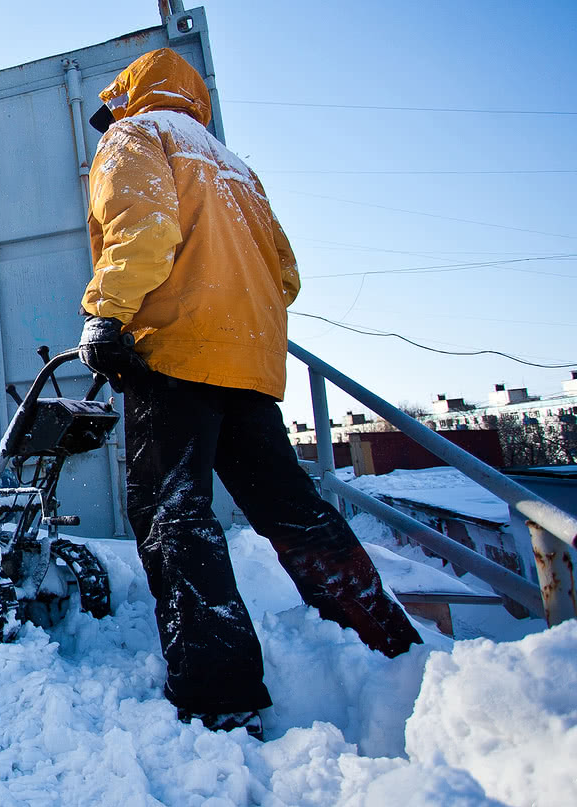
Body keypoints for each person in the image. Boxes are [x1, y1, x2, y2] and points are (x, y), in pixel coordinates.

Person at [75, 47, 420, 737]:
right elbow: (285, 274)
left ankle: (219, 694)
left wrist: (105, 312)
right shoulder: (237, 169)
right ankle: (386, 644)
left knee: (175, 516)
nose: (107, 122)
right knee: (293, 508)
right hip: (250, 365)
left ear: (126, 98)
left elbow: (145, 230)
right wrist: (239, 314)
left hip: (172, 354)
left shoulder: (134, 136)